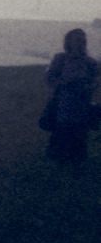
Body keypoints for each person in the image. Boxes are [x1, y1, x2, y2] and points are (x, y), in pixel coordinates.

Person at [43, 28, 97, 173]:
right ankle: (60, 167)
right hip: (63, 105)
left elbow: (94, 83)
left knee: (79, 136)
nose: (80, 42)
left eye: (82, 40)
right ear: (68, 41)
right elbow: (49, 79)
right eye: (77, 39)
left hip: (82, 105)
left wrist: (85, 87)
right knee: (62, 134)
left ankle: (76, 168)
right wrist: (64, 82)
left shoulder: (90, 62)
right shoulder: (60, 59)